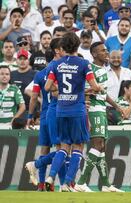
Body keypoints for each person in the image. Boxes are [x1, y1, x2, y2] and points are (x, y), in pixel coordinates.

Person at [44, 32, 103, 191]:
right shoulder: (84, 64)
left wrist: (62, 91)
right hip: (77, 110)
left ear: (62, 47)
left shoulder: (56, 64)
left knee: (63, 146)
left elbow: (48, 87)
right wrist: (96, 89)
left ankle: (51, 176)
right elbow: (95, 86)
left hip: (61, 110)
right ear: (77, 46)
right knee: (78, 146)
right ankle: (67, 183)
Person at [75, 42, 124, 193]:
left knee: (102, 148)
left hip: (102, 109)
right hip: (94, 110)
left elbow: (102, 92)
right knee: (97, 145)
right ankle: (81, 182)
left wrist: (117, 106)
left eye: (106, 50)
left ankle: (106, 184)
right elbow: (82, 90)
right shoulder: (90, 69)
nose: (106, 52)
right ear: (94, 54)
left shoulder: (103, 69)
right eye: (103, 51)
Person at [25, 38, 64, 192]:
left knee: (44, 149)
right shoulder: (61, 69)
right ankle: (63, 184)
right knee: (62, 149)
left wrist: (30, 116)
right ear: (57, 52)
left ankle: (41, 184)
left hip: (44, 116)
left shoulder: (40, 75)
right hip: (57, 113)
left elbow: (34, 97)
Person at [11, 48, 36, 115]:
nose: (22, 61)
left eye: (25, 59)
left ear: (29, 61)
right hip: (14, 111)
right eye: (20, 59)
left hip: (30, 111)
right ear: (16, 61)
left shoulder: (35, 75)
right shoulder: (11, 74)